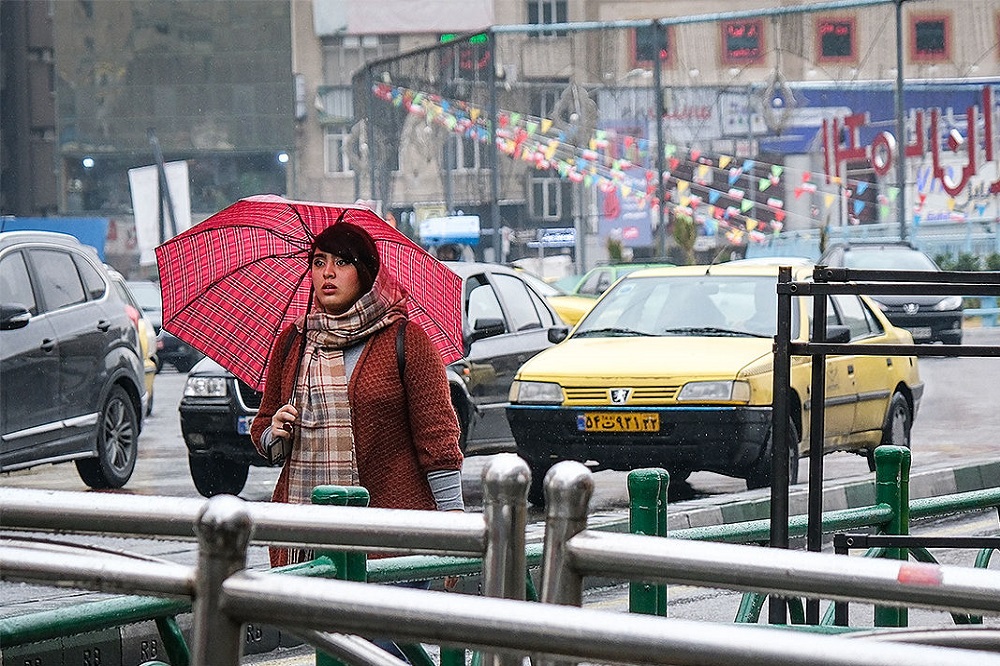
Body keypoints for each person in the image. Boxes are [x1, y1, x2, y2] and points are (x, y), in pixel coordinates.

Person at [250, 222, 465, 570]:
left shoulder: (406, 339)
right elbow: (265, 428)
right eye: (318, 262)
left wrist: (455, 530)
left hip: (392, 540)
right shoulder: (293, 341)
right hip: (302, 540)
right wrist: (274, 433)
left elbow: (438, 442)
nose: (328, 273)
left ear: (364, 272)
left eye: (342, 262)